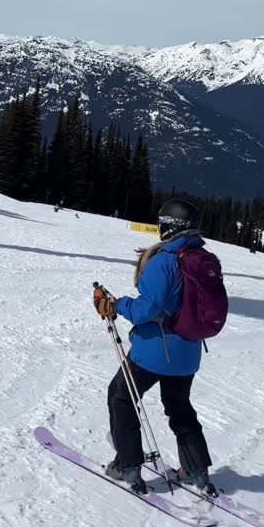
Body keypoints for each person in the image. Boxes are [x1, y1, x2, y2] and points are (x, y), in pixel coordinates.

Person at [93, 198, 216, 496]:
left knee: (121, 396)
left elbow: (146, 310)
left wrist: (117, 304)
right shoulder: (202, 257)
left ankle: (128, 465)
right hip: (188, 351)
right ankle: (196, 469)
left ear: (170, 226)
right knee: (179, 406)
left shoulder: (165, 260)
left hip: (155, 350)